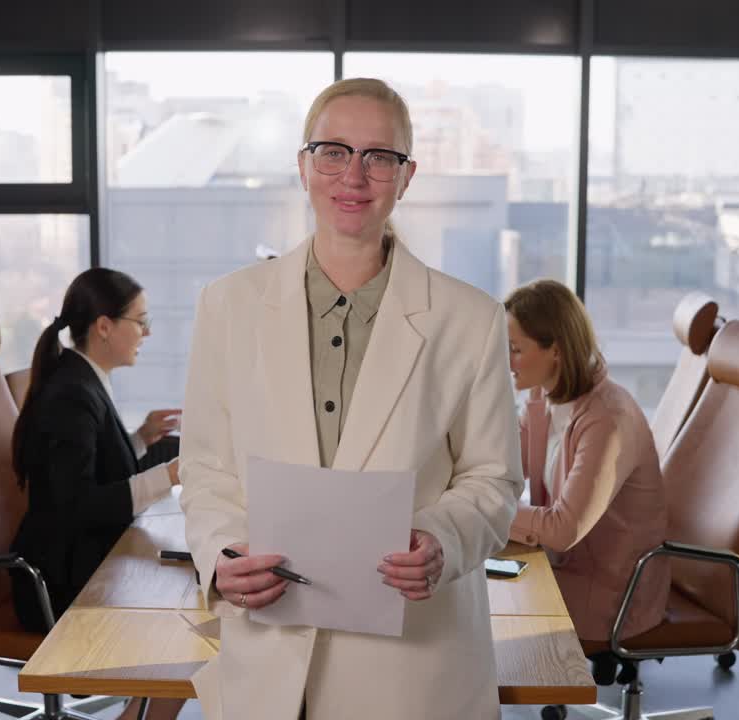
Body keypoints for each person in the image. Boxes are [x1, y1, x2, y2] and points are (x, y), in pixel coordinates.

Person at [179, 78, 523, 719]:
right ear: (303, 165)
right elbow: (205, 466)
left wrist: (442, 540)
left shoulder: (471, 320)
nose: (354, 176)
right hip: (269, 655)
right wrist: (222, 554)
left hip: (412, 670)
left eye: (379, 157)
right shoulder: (228, 306)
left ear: (407, 176)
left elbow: (494, 478)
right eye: (333, 151)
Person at [9, 268, 184, 720]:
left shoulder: (83, 377)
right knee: (186, 616)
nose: (148, 332)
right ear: (104, 326)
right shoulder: (72, 393)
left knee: (189, 598)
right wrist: (169, 475)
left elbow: (87, 469)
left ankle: (140, 710)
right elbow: (78, 505)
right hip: (58, 581)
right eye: (140, 321)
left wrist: (141, 440)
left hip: (77, 560)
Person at [504, 279, 670, 678]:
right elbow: (503, 464)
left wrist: (489, 512)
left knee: (473, 600)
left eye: (515, 350)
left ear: (556, 350)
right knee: (461, 574)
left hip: (612, 592)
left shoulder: (607, 419)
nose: (506, 361)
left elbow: (563, 530)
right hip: (567, 567)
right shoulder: (545, 396)